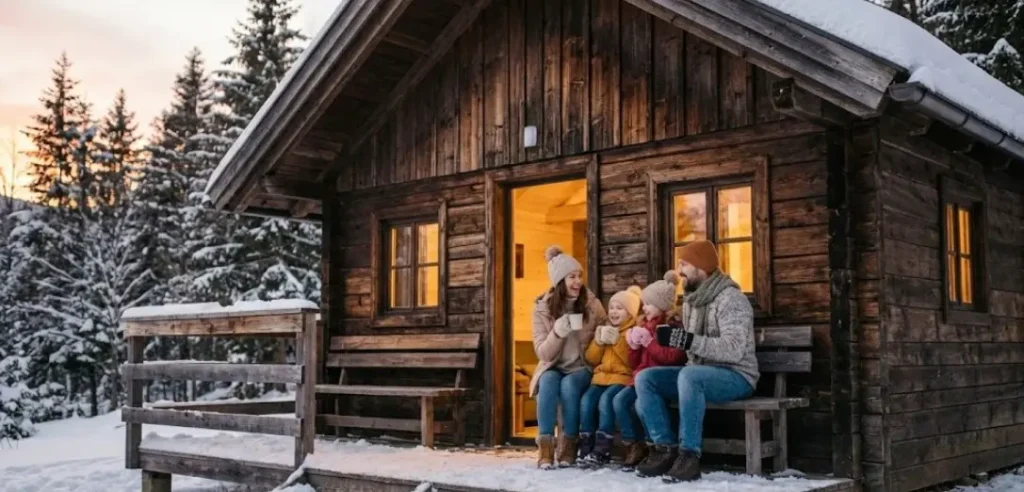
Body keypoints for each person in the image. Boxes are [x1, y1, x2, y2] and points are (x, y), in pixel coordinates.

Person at [633, 240, 759, 482]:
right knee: (646, 378)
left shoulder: (732, 299)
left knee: (690, 376)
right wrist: (672, 337)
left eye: (684, 264)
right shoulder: (692, 300)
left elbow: (733, 350)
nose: (680, 271)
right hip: (697, 373)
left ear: (701, 266)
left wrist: (689, 340)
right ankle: (665, 450)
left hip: (736, 376)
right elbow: (690, 350)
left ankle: (689, 456)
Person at [530, 245, 608, 469]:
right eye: (571, 277)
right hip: (553, 365)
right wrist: (557, 333)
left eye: (579, 276)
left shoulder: (592, 305)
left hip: (582, 366)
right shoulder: (542, 309)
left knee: (569, 385)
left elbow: (605, 328)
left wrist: (603, 335)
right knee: (547, 381)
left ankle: (569, 445)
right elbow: (543, 353)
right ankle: (545, 448)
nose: (577, 282)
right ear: (559, 281)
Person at [622, 270, 688, 470]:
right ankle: (651, 447)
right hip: (643, 379)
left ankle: (660, 447)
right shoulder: (645, 325)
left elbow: (672, 357)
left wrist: (649, 342)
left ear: (662, 305)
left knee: (640, 404)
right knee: (623, 401)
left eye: (649, 304)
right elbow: (635, 363)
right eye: (644, 304)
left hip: (666, 379)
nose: (644, 308)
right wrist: (633, 347)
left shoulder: (673, 326)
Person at [578, 285, 643, 467]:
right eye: (612, 307)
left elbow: (631, 362)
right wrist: (599, 342)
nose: (614, 312)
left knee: (606, 400)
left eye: (619, 308)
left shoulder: (632, 333)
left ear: (630, 313)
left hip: (621, 378)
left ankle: (602, 449)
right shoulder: (603, 329)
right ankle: (586, 446)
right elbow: (591, 358)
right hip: (600, 378)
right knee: (587, 401)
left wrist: (616, 342)